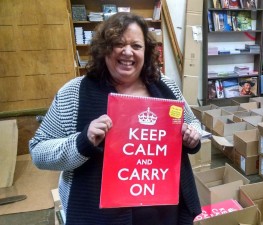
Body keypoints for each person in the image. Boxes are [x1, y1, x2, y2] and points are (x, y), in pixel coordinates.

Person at [29, 12, 202, 225]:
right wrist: (83, 141)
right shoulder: (74, 93)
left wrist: (192, 135)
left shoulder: (165, 86)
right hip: (97, 217)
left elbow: (192, 123)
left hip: (164, 213)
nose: (128, 52)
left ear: (146, 52)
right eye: (119, 43)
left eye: (136, 46)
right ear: (104, 49)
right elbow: (38, 151)